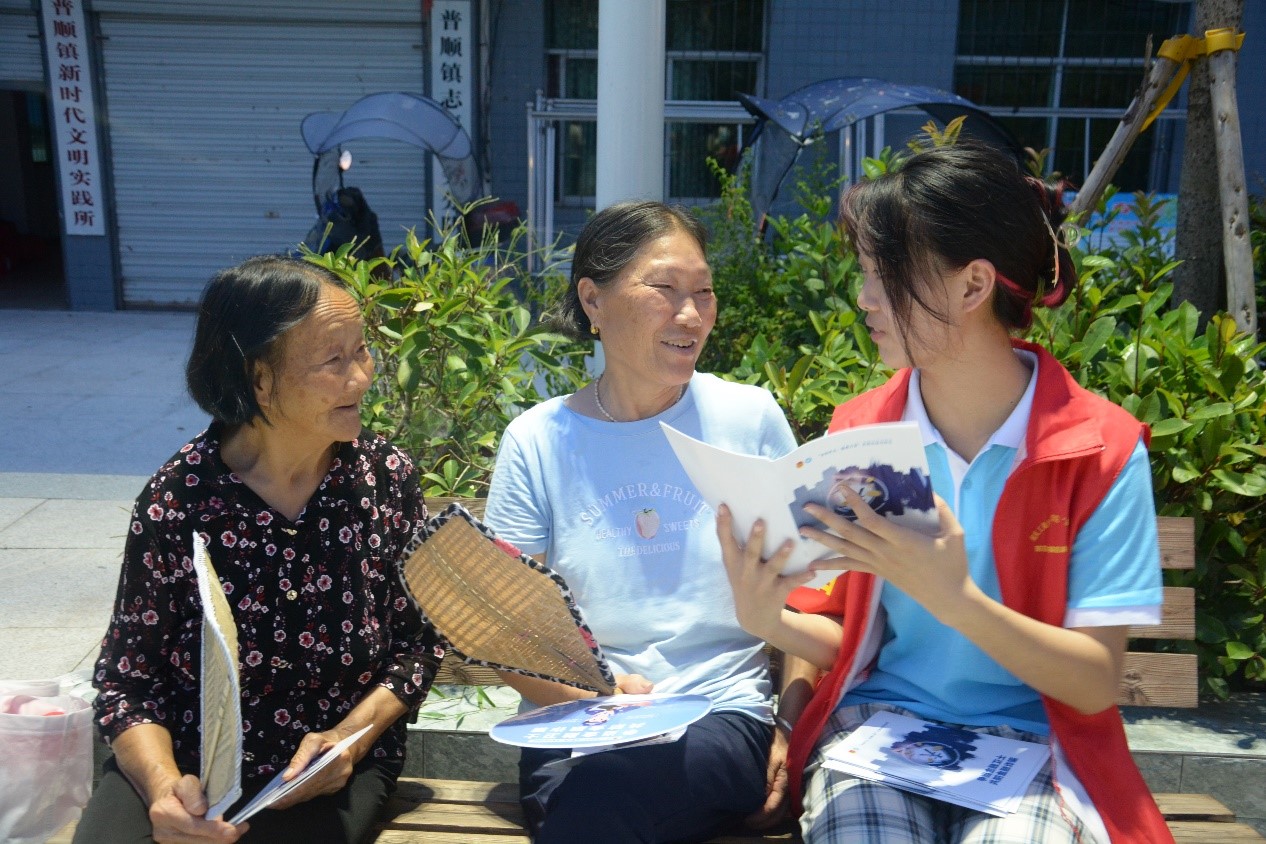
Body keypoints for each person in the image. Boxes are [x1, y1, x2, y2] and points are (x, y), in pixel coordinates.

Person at [716, 143, 1173, 843]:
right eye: (865, 273)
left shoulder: (1098, 450)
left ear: (973, 285)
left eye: (885, 275)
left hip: (1039, 745)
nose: (864, 299)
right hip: (876, 733)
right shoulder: (860, 433)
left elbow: (1093, 683)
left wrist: (955, 598)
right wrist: (765, 619)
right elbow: (843, 635)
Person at [76, 256, 444, 844]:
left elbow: (417, 644)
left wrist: (348, 742)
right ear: (259, 380)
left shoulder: (383, 479)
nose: (361, 377)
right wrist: (165, 788)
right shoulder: (179, 499)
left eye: (361, 351)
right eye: (333, 360)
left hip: (324, 764)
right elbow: (128, 682)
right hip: (188, 755)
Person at [484, 200, 800, 843]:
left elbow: (806, 594)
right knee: (599, 797)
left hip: (718, 715)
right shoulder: (538, 440)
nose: (691, 314)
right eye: (665, 289)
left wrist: (791, 727)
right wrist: (597, 699)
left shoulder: (748, 419)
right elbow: (507, 634)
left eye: (703, 292)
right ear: (593, 301)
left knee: (603, 801)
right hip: (576, 723)